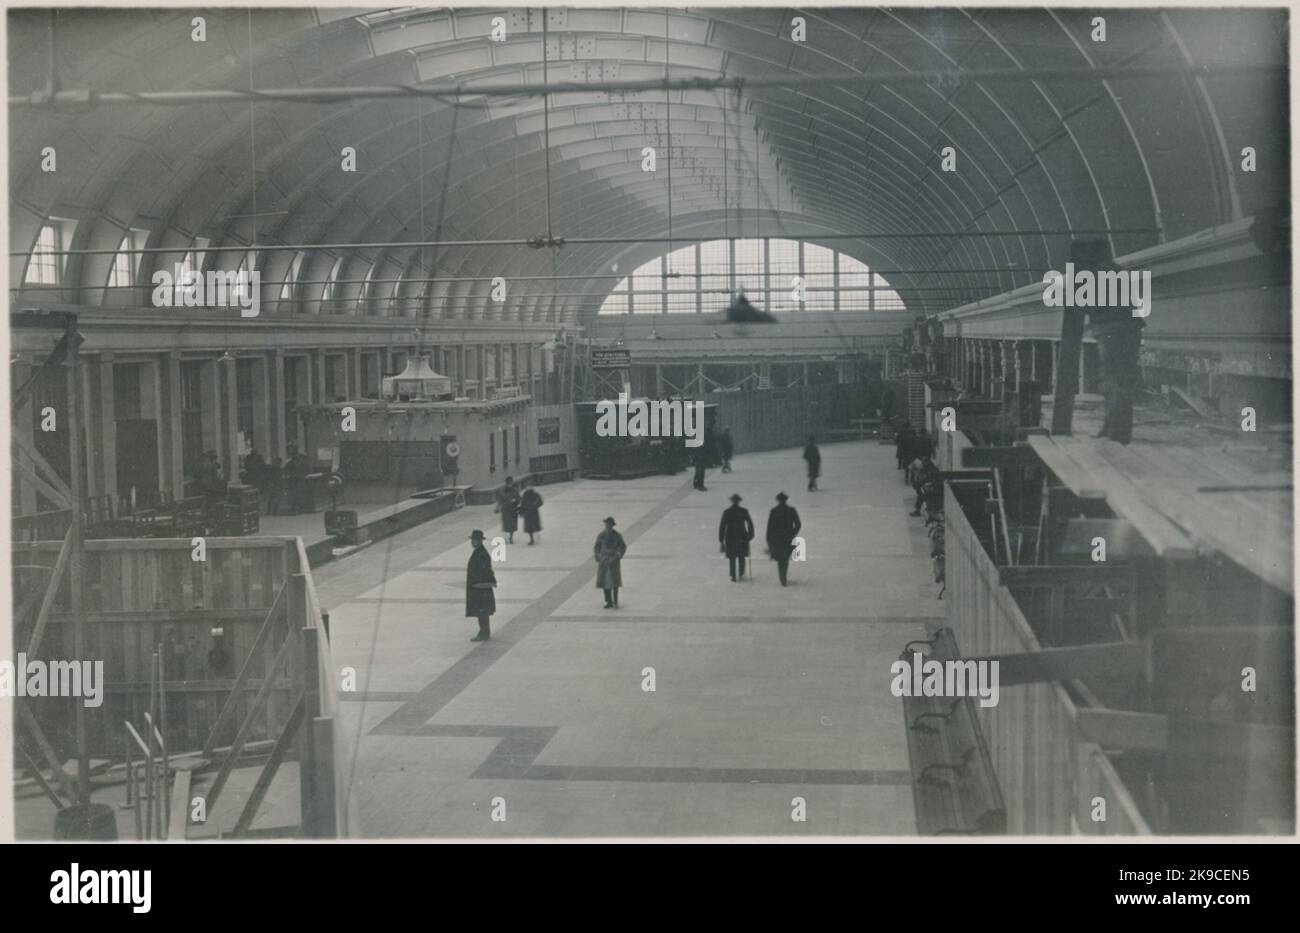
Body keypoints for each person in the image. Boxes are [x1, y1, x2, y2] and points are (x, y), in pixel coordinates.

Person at [465, 529, 497, 642]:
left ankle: (484, 633)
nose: (472, 542)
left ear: (479, 541)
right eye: (472, 540)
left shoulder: (482, 554)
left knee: (482, 611)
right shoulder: (479, 552)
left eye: (474, 540)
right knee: (481, 611)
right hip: (478, 587)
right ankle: (483, 631)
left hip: (480, 588)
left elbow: (484, 571)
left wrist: (478, 583)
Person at [765, 491, 802, 587]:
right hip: (788, 537)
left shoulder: (774, 511)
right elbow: (798, 524)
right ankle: (783, 576)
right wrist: (793, 532)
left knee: (780, 558)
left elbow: (770, 527)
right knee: (785, 558)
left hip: (777, 538)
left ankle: (782, 577)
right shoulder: (791, 510)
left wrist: (768, 539)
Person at [719, 493, 755, 582]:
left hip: (730, 536)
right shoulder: (744, 511)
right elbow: (750, 523)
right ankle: (741, 572)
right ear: (739, 502)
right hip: (742, 535)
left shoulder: (727, 512)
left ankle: (733, 574)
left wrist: (721, 539)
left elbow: (722, 527)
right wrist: (750, 534)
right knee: (741, 555)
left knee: (732, 556)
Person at [594, 516, 626, 609]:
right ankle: (608, 601)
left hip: (613, 561)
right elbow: (597, 547)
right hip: (604, 561)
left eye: (609, 524)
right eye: (606, 524)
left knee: (614, 582)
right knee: (605, 582)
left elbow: (622, 546)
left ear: (612, 525)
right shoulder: (601, 535)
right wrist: (597, 555)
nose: (607, 526)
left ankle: (615, 600)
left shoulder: (617, 536)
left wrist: (618, 554)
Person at [496, 476, 520, 544]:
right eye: (509, 483)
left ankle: (511, 538)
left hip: (513, 510)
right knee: (506, 525)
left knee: (512, 525)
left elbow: (519, 499)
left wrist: (515, 500)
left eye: (511, 483)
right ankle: (507, 536)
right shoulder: (502, 491)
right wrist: (497, 507)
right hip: (505, 510)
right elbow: (499, 500)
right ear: (506, 483)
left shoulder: (515, 490)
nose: (510, 484)